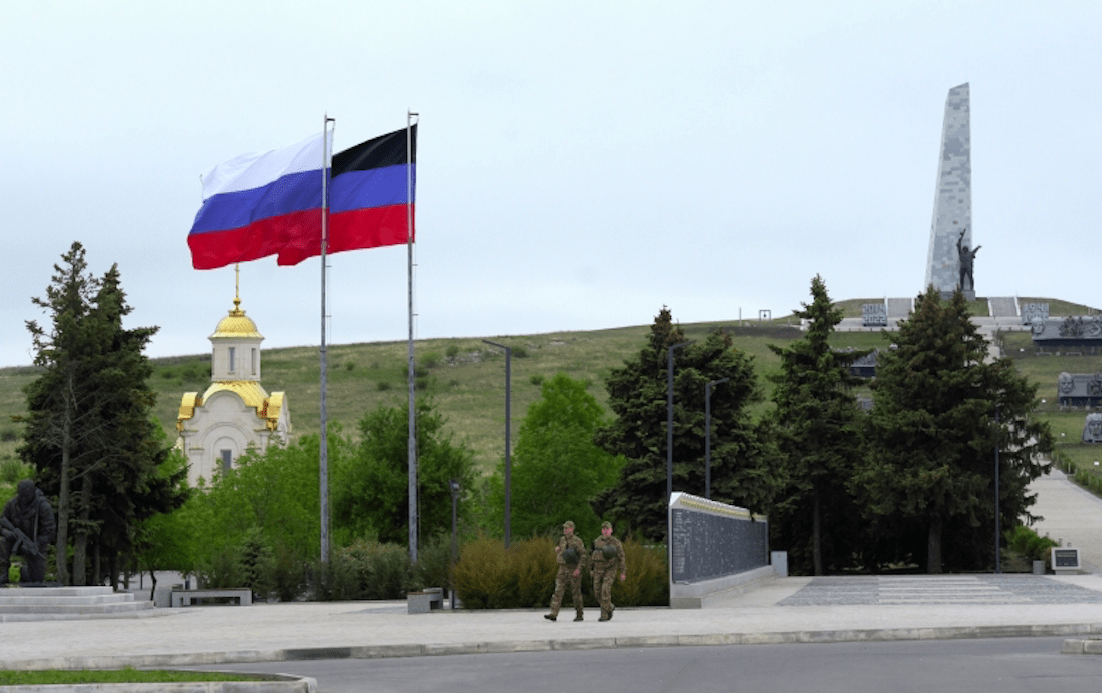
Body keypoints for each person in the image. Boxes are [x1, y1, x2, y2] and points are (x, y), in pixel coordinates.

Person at [0, 480, 56, 584]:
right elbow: (2, 522)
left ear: (33, 493)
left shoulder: (43, 506)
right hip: (14, 540)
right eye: (22, 495)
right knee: (2, 542)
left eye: (27, 496)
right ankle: (2, 575)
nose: (24, 499)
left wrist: (36, 543)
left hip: (35, 544)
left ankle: (25, 572)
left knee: (36, 580)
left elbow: (50, 531)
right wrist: (6, 532)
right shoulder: (12, 504)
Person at [545, 520, 588, 621]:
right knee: (558, 591)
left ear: (572, 529)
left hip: (573, 569)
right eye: (564, 528)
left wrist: (578, 569)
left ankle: (579, 614)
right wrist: (558, 550)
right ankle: (553, 613)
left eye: (567, 528)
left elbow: (583, 556)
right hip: (562, 569)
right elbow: (563, 551)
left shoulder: (578, 541)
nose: (564, 530)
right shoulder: (562, 540)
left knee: (576, 593)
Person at [590, 521, 626, 621]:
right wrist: (591, 569)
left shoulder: (615, 542)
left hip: (610, 569)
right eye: (603, 529)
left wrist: (623, 572)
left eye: (607, 529)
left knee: (605, 590)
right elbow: (592, 555)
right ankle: (609, 607)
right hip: (598, 569)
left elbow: (621, 557)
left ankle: (604, 615)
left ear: (611, 530)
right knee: (597, 593)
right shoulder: (597, 541)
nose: (605, 531)